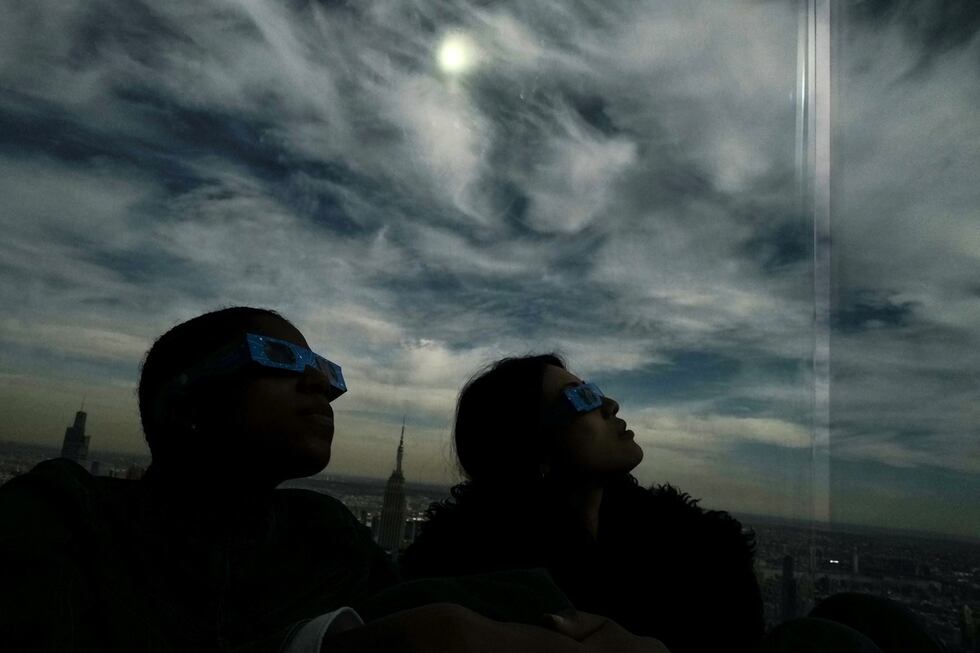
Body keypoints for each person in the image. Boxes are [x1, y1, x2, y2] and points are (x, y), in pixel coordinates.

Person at [0, 308, 673, 653]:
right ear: (184, 405)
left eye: (326, 371)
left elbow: (446, 608)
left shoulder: (324, 533)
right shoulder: (63, 516)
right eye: (278, 356)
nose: (322, 384)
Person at [399, 354, 765, 653]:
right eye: (580, 398)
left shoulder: (702, 557)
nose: (610, 405)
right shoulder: (461, 579)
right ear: (531, 444)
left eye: (595, 391)